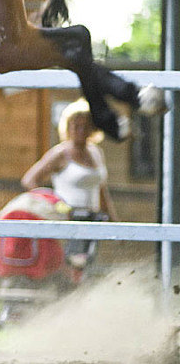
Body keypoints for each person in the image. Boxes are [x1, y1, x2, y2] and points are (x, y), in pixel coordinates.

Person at [20, 98, 118, 273]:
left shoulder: (96, 152)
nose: (80, 130)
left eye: (85, 125)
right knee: (70, 265)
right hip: (68, 217)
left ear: (92, 128)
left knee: (86, 265)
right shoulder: (60, 153)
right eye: (76, 125)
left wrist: (113, 220)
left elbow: (101, 189)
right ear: (67, 127)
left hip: (92, 218)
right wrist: (53, 204)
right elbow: (30, 180)